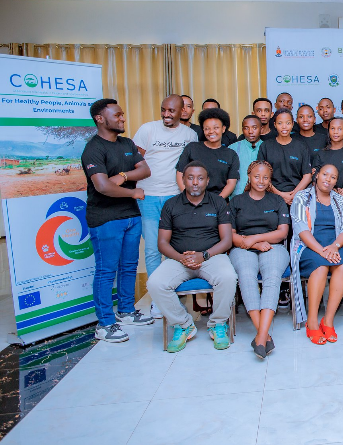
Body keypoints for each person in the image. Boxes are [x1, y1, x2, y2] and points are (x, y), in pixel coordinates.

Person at [147, 161, 237, 353]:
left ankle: (218, 324)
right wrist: (182, 258)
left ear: (207, 181)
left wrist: (203, 256)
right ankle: (183, 324)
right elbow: (162, 243)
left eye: (200, 178)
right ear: (183, 180)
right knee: (155, 283)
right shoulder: (171, 205)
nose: (195, 182)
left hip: (211, 256)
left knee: (228, 277)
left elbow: (227, 240)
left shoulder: (218, 202)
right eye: (190, 177)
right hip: (179, 259)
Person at [83, 98, 153, 342]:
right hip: (105, 217)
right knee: (105, 270)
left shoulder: (126, 143)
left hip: (130, 215)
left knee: (129, 266)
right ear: (100, 119)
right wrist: (133, 191)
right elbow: (102, 187)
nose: (122, 118)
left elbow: (145, 170)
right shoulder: (93, 149)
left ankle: (125, 311)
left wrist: (122, 176)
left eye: (122, 114)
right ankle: (105, 323)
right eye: (118, 115)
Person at [132, 94, 198, 319]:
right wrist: (133, 188)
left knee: (173, 247)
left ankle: (170, 291)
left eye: (171, 111)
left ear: (183, 112)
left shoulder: (190, 135)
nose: (166, 115)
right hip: (148, 196)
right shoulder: (147, 129)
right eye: (163, 110)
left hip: (174, 197)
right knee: (152, 248)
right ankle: (157, 300)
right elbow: (133, 160)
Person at [229, 160, 291, 358]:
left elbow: (282, 233)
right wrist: (254, 244)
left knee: (272, 276)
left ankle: (261, 337)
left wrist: (256, 238)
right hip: (242, 247)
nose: (261, 181)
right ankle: (264, 335)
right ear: (249, 176)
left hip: (273, 247)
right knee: (246, 276)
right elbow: (231, 235)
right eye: (257, 176)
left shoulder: (277, 201)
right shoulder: (236, 201)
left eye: (265, 178)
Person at [289, 163, 343, 344]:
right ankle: (312, 323)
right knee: (321, 266)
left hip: (335, 245)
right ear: (316, 175)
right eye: (325, 175)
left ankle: (328, 320)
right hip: (308, 246)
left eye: (333, 177)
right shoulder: (302, 197)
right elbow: (302, 230)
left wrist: (335, 246)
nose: (328, 179)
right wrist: (323, 252)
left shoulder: (340, 200)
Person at [175, 108, 240, 200]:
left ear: (223, 128)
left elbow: (231, 182)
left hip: (218, 202)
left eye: (216, 128)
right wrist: (188, 197)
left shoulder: (231, 154)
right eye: (207, 128)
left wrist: (217, 201)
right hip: (191, 200)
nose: (211, 131)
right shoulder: (192, 148)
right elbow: (180, 174)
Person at [257, 109, 312, 205]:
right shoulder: (266, 146)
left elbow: (307, 176)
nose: (284, 127)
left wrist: (294, 195)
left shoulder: (301, 146)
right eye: (280, 123)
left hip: (297, 196)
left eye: (288, 123)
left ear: (292, 124)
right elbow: (262, 175)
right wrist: (280, 195)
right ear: (274, 125)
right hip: (272, 195)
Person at [229, 115, 262, 193]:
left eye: (254, 128)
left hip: (262, 198)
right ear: (242, 130)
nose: (250, 131)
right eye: (246, 128)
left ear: (261, 128)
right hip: (237, 198)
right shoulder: (232, 148)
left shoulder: (267, 147)